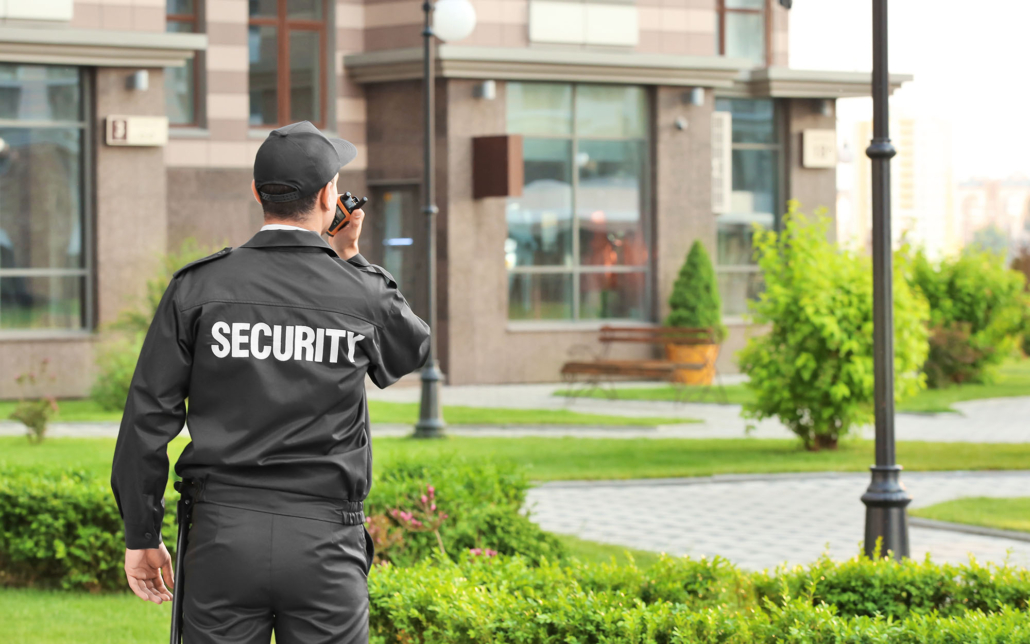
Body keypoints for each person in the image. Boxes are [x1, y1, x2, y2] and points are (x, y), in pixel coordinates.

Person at [110, 120, 430, 643]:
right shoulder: (359, 294)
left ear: (257, 193)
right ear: (330, 196)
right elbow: (410, 347)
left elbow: (147, 418)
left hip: (221, 539)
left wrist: (142, 533)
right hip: (325, 540)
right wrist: (351, 256)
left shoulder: (198, 287)